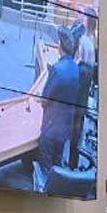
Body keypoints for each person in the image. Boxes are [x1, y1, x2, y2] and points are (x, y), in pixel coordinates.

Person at [36, 27, 80, 191]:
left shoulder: (56, 69)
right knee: (58, 167)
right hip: (64, 129)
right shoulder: (75, 68)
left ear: (60, 45)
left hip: (50, 127)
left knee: (46, 170)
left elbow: (44, 101)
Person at [67, 8, 96, 170]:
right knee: (77, 127)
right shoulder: (92, 38)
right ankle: (73, 162)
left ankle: (71, 163)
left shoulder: (84, 40)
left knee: (74, 127)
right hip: (84, 95)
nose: (80, 16)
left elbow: (77, 60)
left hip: (78, 93)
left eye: (83, 15)